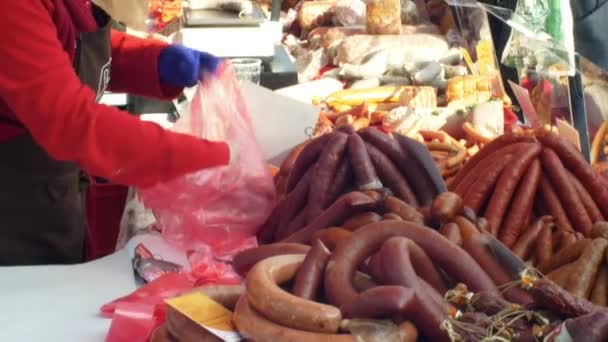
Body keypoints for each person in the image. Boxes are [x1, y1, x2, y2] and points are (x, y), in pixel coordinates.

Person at [0, 0, 231, 265]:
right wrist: (208, 157)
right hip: (12, 218)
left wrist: (153, 62)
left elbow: (67, 48)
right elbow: (73, 124)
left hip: (53, 200)